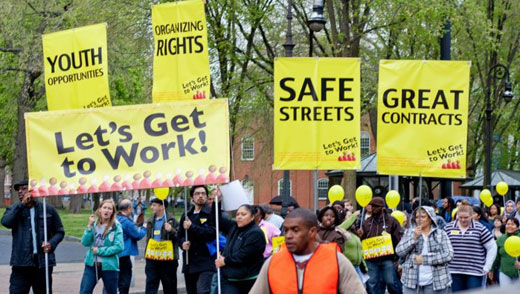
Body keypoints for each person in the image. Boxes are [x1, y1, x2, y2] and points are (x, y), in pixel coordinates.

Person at [250, 208, 366, 294]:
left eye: (295, 230)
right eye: (286, 230)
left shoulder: (337, 261)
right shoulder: (273, 262)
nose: (288, 236)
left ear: (312, 232)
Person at [1, 179, 65, 294]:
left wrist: (51, 243)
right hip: (21, 263)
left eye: (24, 188)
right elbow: (6, 222)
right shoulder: (14, 209)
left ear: (32, 190)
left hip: (42, 263)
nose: (20, 192)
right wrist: (21, 205)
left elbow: (60, 232)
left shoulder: (48, 210)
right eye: (18, 190)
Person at [396, 206, 453, 294]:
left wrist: (424, 259)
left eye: (422, 217)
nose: (419, 219)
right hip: (411, 281)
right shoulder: (409, 232)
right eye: (417, 217)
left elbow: (448, 255)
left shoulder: (440, 234)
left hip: (435, 281)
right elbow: (399, 251)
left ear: (430, 218)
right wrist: (413, 238)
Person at [444, 201, 497, 292]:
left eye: (466, 217)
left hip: (475, 271)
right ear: (457, 216)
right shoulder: (448, 228)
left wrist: (487, 266)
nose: (463, 220)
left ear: (471, 216)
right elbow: (442, 246)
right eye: (460, 217)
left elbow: (492, 247)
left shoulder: (480, 228)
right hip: (453, 270)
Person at [213, 204, 266, 293]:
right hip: (230, 279)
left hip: (248, 280)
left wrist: (225, 261)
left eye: (243, 214)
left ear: (252, 217)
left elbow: (244, 255)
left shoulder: (255, 233)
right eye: (237, 214)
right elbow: (216, 219)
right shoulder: (234, 227)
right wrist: (217, 202)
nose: (239, 217)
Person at [358, 197, 403, 294]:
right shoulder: (367, 222)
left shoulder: (392, 221)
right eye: (372, 206)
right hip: (371, 259)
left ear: (383, 207)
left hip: (387, 258)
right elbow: (362, 241)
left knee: (391, 282)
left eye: (376, 206)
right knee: (372, 283)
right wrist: (360, 235)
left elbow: (398, 239)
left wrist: (395, 257)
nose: (373, 208)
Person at [79, 199, 124, 294]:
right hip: (92, 264)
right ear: (100, 209)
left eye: (109, 208)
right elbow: (84, 242)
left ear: (113, 212)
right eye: (104, 208)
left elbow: (119, 247)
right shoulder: (94, 224)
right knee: (85, 291)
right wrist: (89, 227)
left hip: (109, 266)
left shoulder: (116, 227)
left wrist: (100, 251)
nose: (106, 210)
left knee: (110, 292)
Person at [178, 185, 216, 294]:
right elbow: (179, 235)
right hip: (189, 262)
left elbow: (212, 234)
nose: (200, 196)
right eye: (197, 193)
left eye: (203, 193)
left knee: (203, 291)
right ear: (192, 197)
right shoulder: (186, 215)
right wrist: (182, 244)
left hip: (206, 261)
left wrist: (192, 227)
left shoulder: (211, 213)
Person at [145, 198, 179, 294]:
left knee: (169, 287)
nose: (151, 207)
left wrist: (171, 230)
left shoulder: (172, 220)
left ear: (162, 206)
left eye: (154, 205)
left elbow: (179, 237)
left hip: (168, 260)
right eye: (152, 205)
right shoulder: (150, 220)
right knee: (150, 286)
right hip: (152, 259)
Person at [116, 199, 146, 294]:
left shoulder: (116, 218)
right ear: (129, 208)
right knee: (124, 281)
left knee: (115, 280)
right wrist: (144, 228)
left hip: (115, 254)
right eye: (131, 208)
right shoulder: (126, 221)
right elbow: (137, 235)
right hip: (124, 254)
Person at [489, 217, 520, 286]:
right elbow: (496, 257)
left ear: (517, 227)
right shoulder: (500, 239)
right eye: (508, 224)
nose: (509, 226)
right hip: (504, 272)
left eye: (512, 224)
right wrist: (491, 270)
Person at [338, 210, 366, 282]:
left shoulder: (354, 233)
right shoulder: (340, 231)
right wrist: (353, 216)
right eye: (349, 216)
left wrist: (364, 266)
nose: (352, 218)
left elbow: (359, 250)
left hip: (357, 267)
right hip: (348, 267)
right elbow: (340, 228)